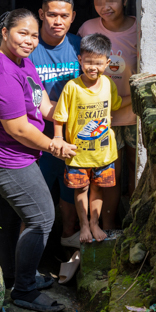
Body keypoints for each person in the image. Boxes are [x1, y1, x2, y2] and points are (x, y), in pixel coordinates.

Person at [0, 9, 77, 312]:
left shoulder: (23, 63)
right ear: (5, 32)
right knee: (41, 219)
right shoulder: (1, 69)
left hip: (24, 155)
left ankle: (18, 277)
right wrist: (54, 145)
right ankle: (23, 290)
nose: (29, 40)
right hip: (9, 160)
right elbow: (18, 127)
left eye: (34, 35)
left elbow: (43, 104)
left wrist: (75, 118)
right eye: (22, 33)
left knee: (23, 221)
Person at [53, 34, 131, 243]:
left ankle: (95, 224)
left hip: (103, 152)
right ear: (80, 60)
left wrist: (136, 95)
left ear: (107, 63)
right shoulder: (72, 87)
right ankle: (84, 225)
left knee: (98, 189)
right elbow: (59, 117)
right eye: (88, 62)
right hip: (78, 153)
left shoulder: (107, 84)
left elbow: (115, 104)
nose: (92, 67)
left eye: (98, 63)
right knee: (81, 189)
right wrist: (59, 139)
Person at [78, 0, 138, 228]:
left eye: (111, 0)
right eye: (99, 2)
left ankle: (137, 224)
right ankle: (110, 227)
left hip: (135, 115)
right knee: (109, 176)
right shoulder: (88, 29)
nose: (105, 7)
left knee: (139, 172)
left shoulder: (141, 28)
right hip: (102, 120)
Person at [28, 0, 82, 248]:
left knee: (72, 193)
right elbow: (37, 99)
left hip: (74, 138)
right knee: (35, 201)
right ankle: (30, 260)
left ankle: (66, 243)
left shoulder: (79, 46)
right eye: (51, 14)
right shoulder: (29, 47)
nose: (57, 21)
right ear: (41, 14)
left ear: (73, 17)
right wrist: (59, 117)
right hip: (38, 138)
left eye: (64, 15)